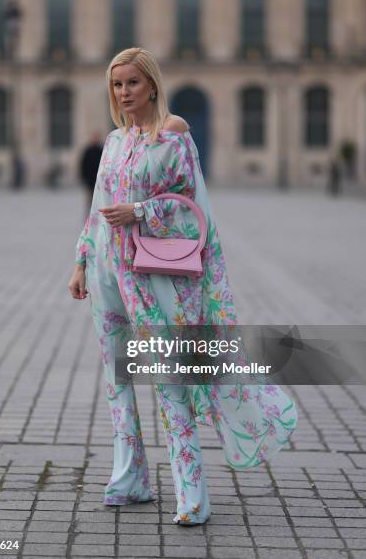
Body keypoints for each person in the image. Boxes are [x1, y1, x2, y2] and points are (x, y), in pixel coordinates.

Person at [68, 47, 298, 526]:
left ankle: (191, 493)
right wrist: (80, 263)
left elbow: (192, 209)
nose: (124, 92)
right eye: (116, 85)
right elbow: (96, 205)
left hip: (152, 274)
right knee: (118, 376)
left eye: (132, 83)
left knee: (168, 376)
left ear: (151, 84)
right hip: (108, 269)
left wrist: (143, 212)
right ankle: (129, 480)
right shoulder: (113, 141)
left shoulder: (175, 137)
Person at [78, 132, 104, 215]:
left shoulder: (101, 150)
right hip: (90, 180)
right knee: (90, 198)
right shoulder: (88, 150)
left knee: (99, 198)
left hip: (99, 179)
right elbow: (83, 165)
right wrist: (84, 177)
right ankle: (90, 214)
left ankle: (98, 214)